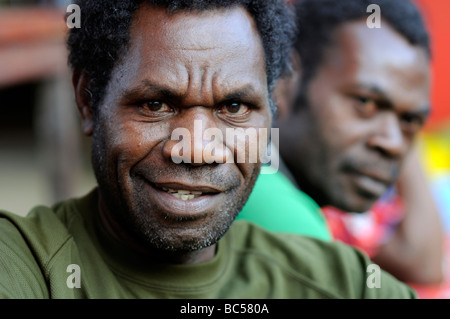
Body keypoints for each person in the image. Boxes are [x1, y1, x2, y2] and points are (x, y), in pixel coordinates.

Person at [0, 0, 416, 299]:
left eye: (234, 107)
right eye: (156, 104)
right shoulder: (26, 265)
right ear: (89, 99)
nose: (197, 148)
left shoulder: (343, 282)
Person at [271, 0, 444, 286]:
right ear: (286, 78)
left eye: (410, 121)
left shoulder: (328, 194)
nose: (393, 144)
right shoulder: (263, 193)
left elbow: (424, 263)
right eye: (365, 102)